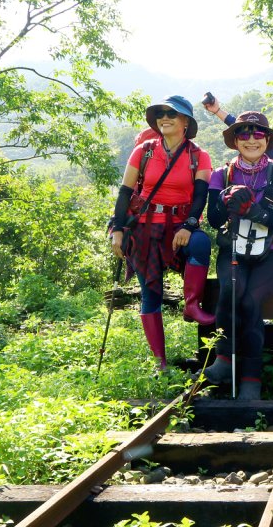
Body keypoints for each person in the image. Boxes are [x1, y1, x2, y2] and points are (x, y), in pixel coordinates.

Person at [110, 95, 215, 372]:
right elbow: (125, 192)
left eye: (172, 113)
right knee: (150, 293)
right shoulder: (143, 151)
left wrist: (190, 225)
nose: (164, 118)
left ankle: (191, 305)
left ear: (185, 122)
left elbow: (201, 195)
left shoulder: (199, 155)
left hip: (181, 223)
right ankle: (160, 363)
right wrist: (117, 230)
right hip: (145, 226)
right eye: (160, 114)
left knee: (201, 245)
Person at [200, 111, 273, 400]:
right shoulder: (222, 174)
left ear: (267, 139)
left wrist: (254, 211)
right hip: (234, 250)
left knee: (252, 301)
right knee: (231, 289)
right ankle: (223, 360)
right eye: (244, 134)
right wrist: (224, 200)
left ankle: (251, 377)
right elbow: (214, 221)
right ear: (235, 140)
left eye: (258, 134)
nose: (251, 140)